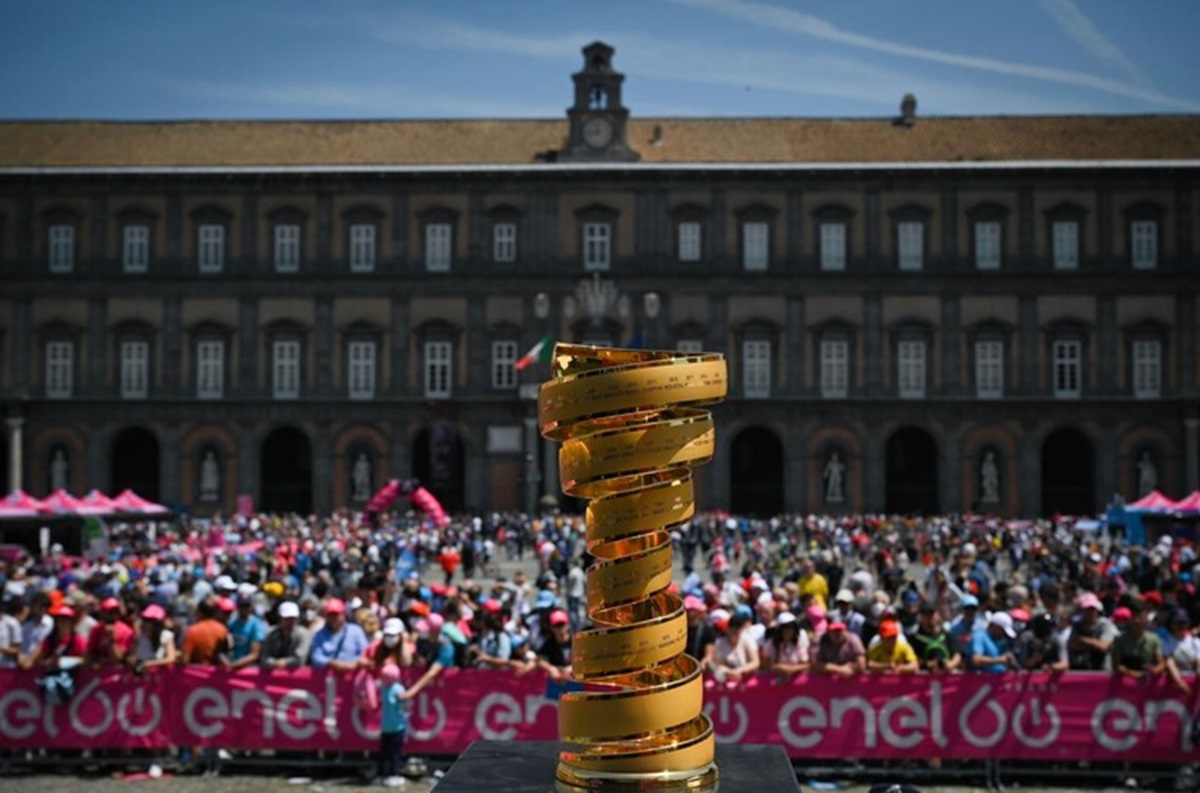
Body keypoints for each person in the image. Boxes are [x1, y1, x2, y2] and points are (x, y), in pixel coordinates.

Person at [1110, 599, 1165, 682]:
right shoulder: (1120, 639)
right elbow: (1117, 666)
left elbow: (1161, 663)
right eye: (1134, 617)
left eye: (1141, 618)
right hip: (1125, 685)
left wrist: (1156, 669)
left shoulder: (1153, 639)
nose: (1137, 621)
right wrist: (1135, 674)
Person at [309, 598, 369, 672]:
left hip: (353, 677)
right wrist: (332, 663)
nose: (333, 618)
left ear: (343, 615)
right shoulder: (319, 635)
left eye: (336, 615)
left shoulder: (356, 631)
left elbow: (366, 652)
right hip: (328, 679)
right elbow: (316, 657)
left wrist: (355, 663)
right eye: (330, 615)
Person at [377, 663, 409, 788]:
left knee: (387, 752)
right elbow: (403, 703)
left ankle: (386, 774)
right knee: (393, 752)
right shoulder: (397, 688)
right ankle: (391, 774)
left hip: (389, 727)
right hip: (396, 727)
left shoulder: (385, 688)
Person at [1067, 592, 1118, 671]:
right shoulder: (1077, 625)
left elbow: (1103, 646)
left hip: (1101, 671)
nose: (1091, 612)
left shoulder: (1106, 625)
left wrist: (1082, 640)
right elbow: (1072, 645)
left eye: (1093, 609)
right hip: (1080, 670)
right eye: (1088, 609)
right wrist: (1094, 644)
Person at [910, 602, 961, 673]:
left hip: (946, 675)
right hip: (924, 676)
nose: (929, 617)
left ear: (938, 615)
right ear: (921, 617)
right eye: (926, 615)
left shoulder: (948, 635)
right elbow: (911, 658)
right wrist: (927, 664)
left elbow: (957, 655)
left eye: (931, 614)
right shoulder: (915, 638)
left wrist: (949, 665)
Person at [262, 601, 313, 670]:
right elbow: (265, 657)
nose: (290, 622)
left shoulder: (303, 634)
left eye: (292, 618)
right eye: (286, 618)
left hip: (297, 676)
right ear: (280, 618)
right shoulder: (270, 633)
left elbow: (300, 659)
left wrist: (285, 662)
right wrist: (274, 663)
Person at [86, 597, 135, 668]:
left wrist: (112, 639)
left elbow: (118, 659)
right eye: (109, 612)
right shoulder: (96, 628)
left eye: (115, 612)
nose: (112, 615)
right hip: (99, 669)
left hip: (118, 670)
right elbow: (90, 652)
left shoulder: (126, 631)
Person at [760, 611, 809, 682]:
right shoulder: (770, 644)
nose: (789, 631)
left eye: (792, 627)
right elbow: (766, 666)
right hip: (774, 684)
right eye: (786, 627)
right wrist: (779, 669)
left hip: (796, 683)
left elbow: (806, 665)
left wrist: (788, 669)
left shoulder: (799, 642)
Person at [181, 599, 231, 666]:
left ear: (200, 612)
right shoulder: (223, 629)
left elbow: (185, 659)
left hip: (196, 671)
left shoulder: (193, 630)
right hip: (216, 672)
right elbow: (227, 653)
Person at [227, 595, 268, 669]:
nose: (244, 609)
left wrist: (233, 665)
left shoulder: (256, 625)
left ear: (251, 608)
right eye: (242, 606)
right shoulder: (233, 624)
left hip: (249, 668)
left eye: (246, 607)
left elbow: (255, 654)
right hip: (233, 663)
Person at [133, 604, 177, 671]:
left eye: (148, 621)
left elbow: (171, 658)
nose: (145, 623)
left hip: (159, 675)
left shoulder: (166, 636)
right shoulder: (140, 636)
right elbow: (133, 654)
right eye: (145, 620)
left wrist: (150, 663)